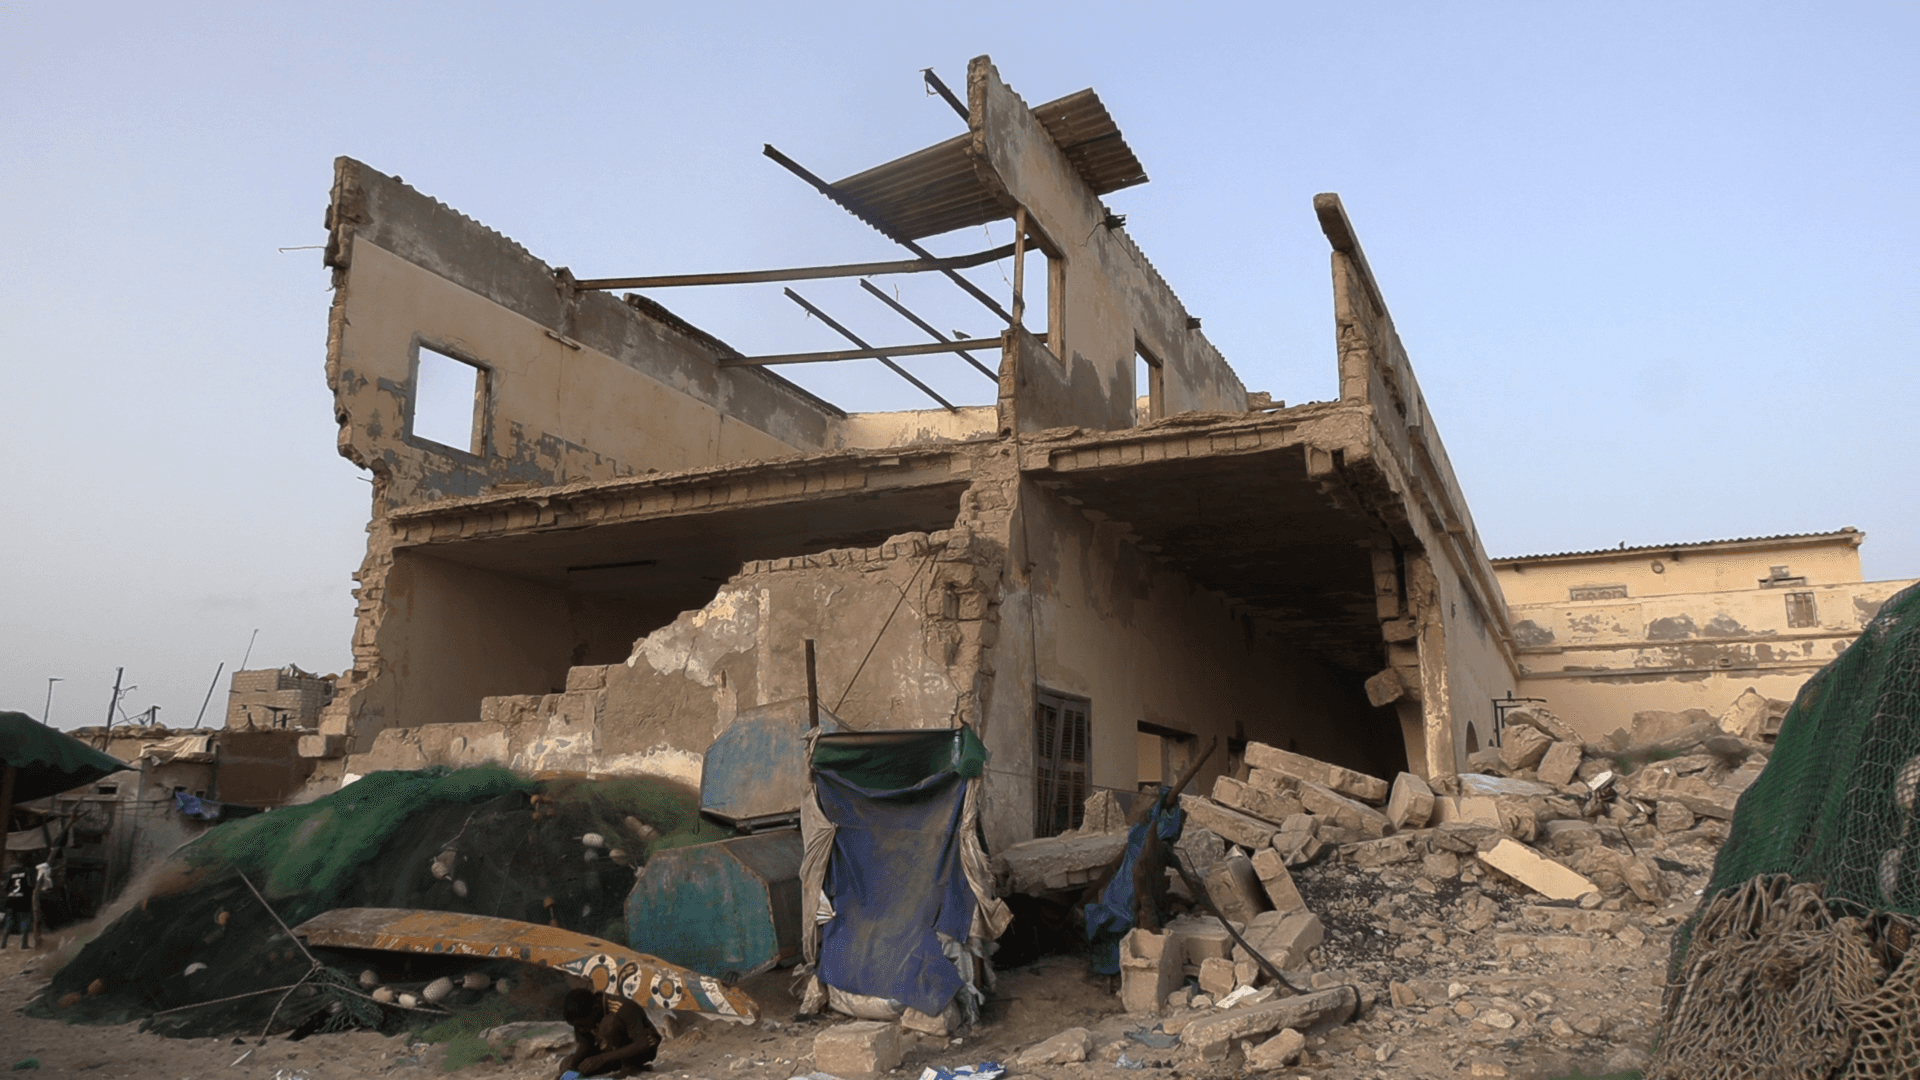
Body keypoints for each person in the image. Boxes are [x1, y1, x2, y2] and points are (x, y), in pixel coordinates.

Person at [555, 987, 660, 1078]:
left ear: (595, 1009)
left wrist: (601, 1059)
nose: (580, 1029)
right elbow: (586, 1043)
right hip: (612, 1050)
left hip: (643, 1049)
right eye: (577, 1027)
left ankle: (630, 1066)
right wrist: (572, 1068)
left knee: (608, 1025)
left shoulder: (623, 1007)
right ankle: (627, 1065)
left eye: (582, 1025)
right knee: (568, 1064)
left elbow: (643, 1044)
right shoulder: (585, 1016)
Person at [1, 861, 32, 949]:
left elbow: (6, 887)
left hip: (11, 899)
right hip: (23, 900)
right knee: (24, 921)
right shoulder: (26, 872)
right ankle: (24, 944)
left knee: (9, 922)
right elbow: (29, 885)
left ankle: (3, 944)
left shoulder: (11, 873)